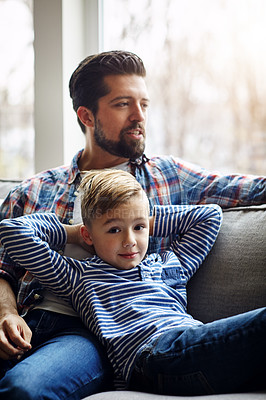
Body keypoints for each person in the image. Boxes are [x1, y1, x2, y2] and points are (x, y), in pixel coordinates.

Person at [0, 50, 265, 400]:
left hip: (91, 334)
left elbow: (248, 189)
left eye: (144, 104)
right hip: (29, 315)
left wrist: (137, 221)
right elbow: (3, 264)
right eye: (124, 104)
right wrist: (5, 312)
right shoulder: (36, 189)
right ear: (87, 115)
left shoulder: (168, 175)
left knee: (26, 389)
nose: (139, 116)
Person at [0, 169, 265, 396]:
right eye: (114, 230)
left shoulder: (172, 263)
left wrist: (140, 218)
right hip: (151, 355)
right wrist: (76, 234)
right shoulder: (79, 276)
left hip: (188, 349)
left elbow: (210, 216)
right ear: (88, 235)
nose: (129, 241)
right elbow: (12, 232)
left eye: (138, 228)